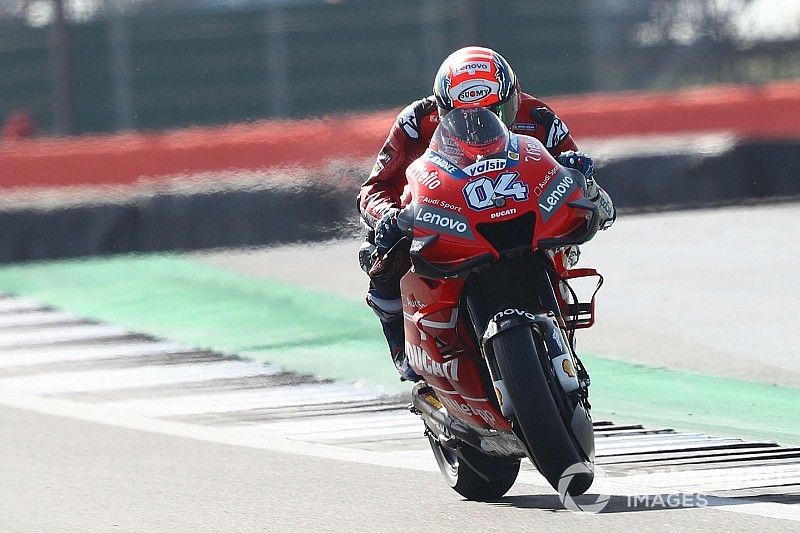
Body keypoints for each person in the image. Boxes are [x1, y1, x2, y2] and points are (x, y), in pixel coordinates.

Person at [357, 46, 615, 381]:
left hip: (524, 219)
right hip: (452, 222)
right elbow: (374, 188)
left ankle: (559, 339)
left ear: (513, 98)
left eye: (495, 111)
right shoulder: (416, 123)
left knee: (573, 230)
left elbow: (588, 190)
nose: (480, 123)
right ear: (443, 108)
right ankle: (404, 349)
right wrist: (389, 216)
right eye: (464, 116)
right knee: (379, 255)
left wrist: (582, 177)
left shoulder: (538, 118)